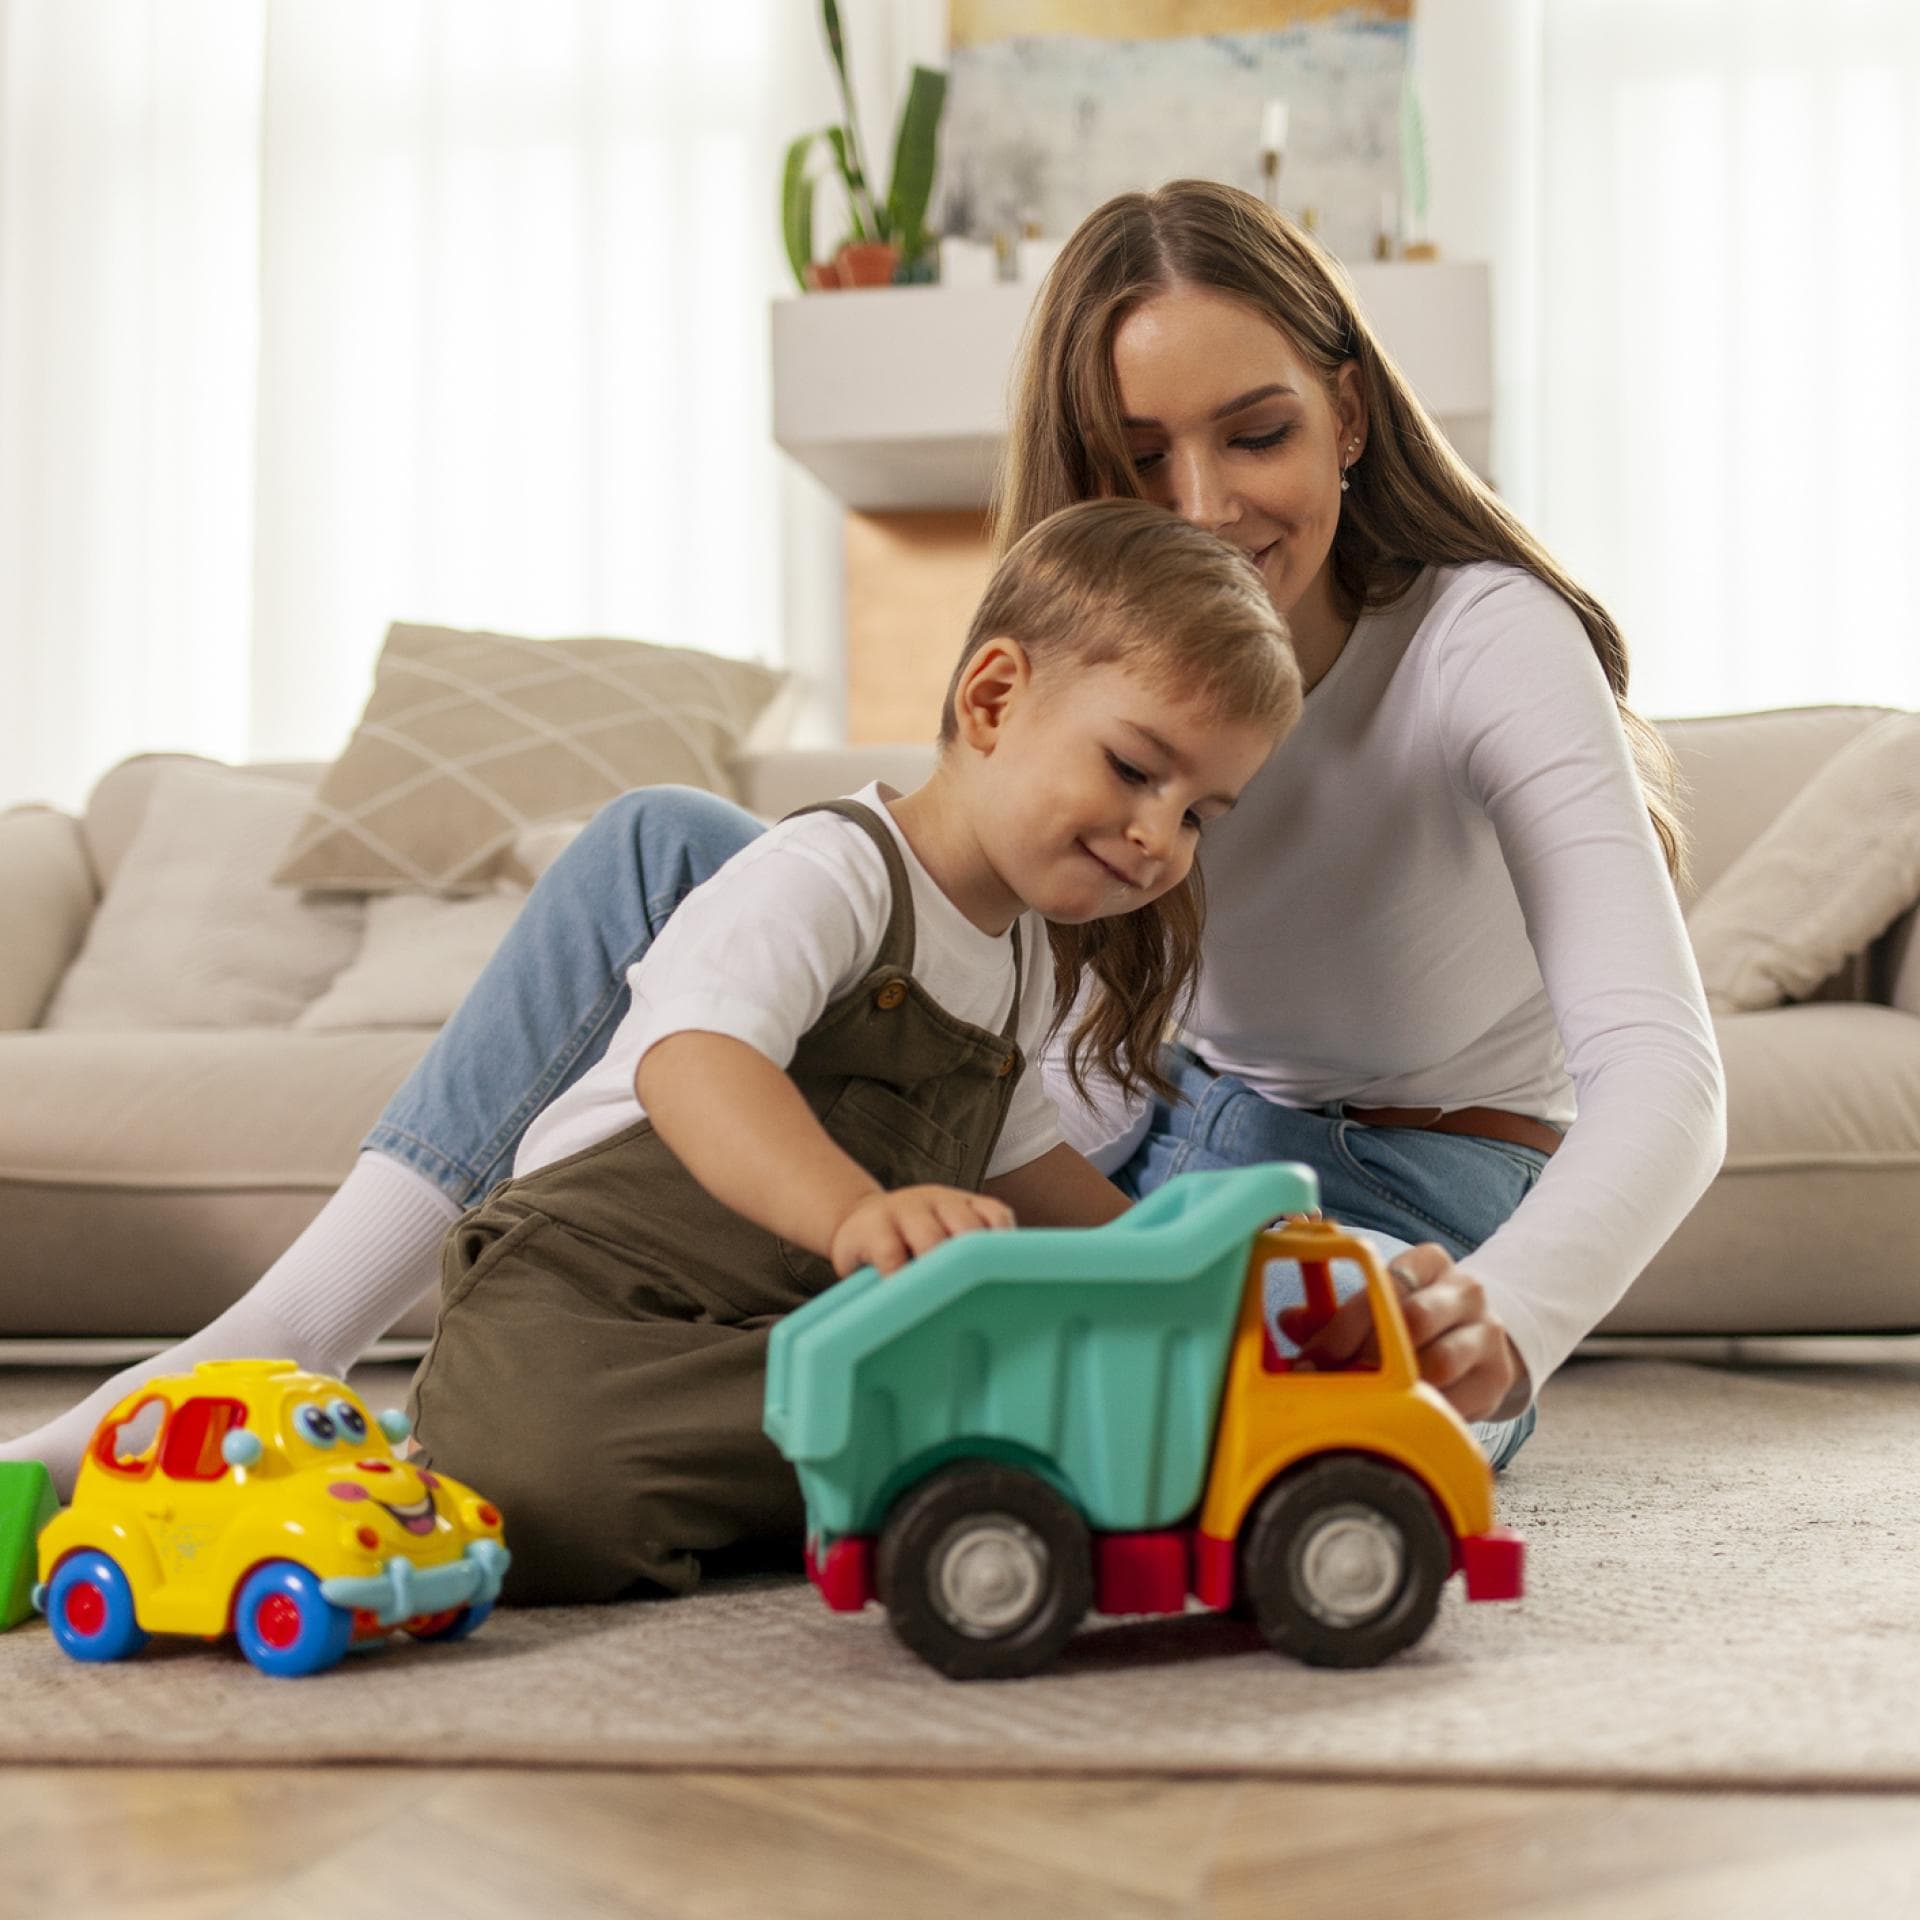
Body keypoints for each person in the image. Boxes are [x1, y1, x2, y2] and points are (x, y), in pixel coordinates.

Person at [3, 179, 1725, 1507]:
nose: (1205, 508)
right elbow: (967, 966)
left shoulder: (1484, 642)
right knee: (665, 849)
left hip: (1393, 1195)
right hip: (1148, 1147)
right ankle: (274, 1345)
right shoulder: (1086, 685)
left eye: (1257, 432)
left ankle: (627, 1443)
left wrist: (1512, 1314)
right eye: (1141, 462)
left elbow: (1665, 1076)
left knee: (1243, 1472)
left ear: (1349, 413)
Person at [407, 497, 1298, 1602]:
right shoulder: (828, 871)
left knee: (1020, 1404)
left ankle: (819, 1488)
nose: (1160, 837)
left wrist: (1180, 1266)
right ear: (993, 699)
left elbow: (1022, 1163)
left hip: (781, 1333)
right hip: (590, 1299)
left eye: (1200, 814)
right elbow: (693, 1060)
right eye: (1131, 768)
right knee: (531, 1499)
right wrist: (850, 1213)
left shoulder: (1024, 959)